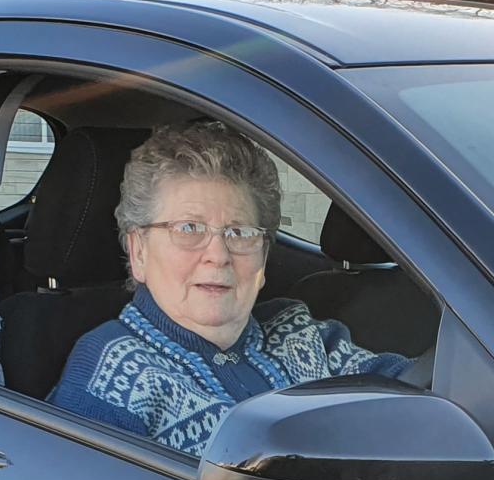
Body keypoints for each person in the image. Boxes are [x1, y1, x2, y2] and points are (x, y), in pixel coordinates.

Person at [51, 120, 408, 459]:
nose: (218, 255)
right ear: (139, 251)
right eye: (189, 229)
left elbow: (418, 396)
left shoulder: (302, 331)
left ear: (264, 257)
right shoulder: (109, 375)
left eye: (239, 233)